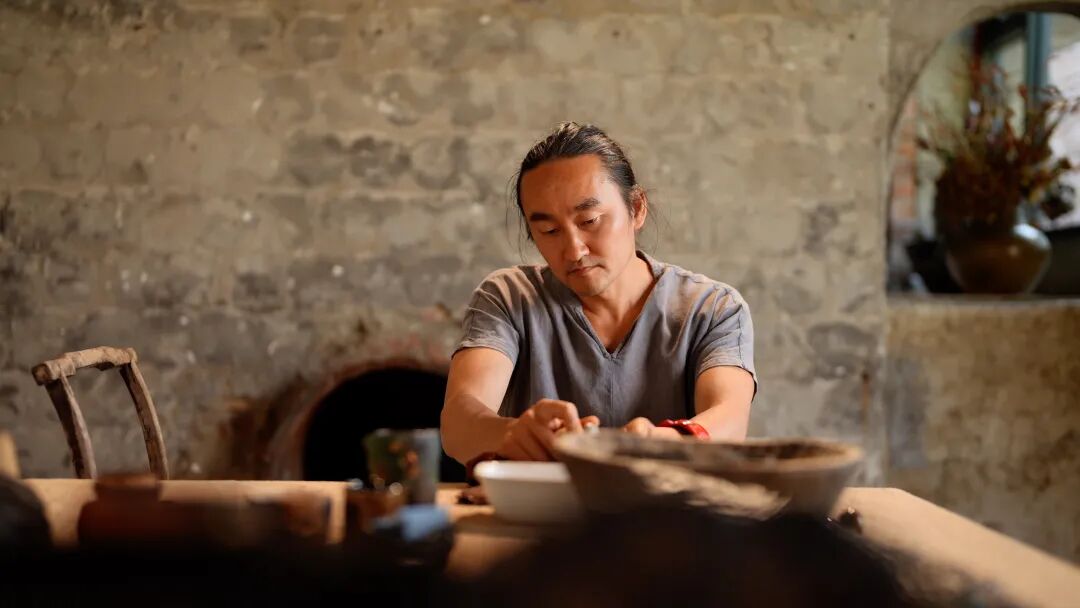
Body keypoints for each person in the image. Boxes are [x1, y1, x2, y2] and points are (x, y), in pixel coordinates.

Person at [440, 123, 756, 465]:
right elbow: (459, 421)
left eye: (589, 220)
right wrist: (515, 434)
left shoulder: (712, 308)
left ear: (637, 208)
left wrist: (655, 444)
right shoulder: (509, 297)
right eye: (549, 230)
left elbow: (729, 420)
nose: (574, 250)